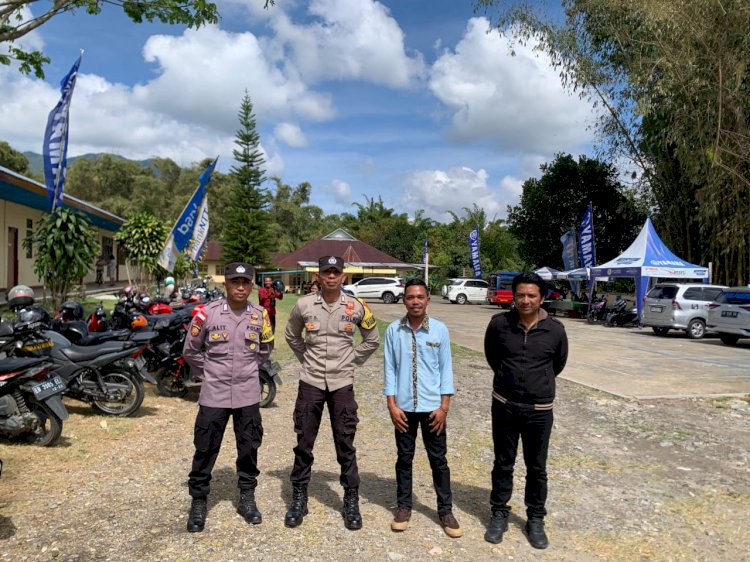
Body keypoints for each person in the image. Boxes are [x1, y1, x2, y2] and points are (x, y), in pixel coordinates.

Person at [284, 256, 379, 530]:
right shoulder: (303, 305)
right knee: (304, 443)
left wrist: (352, 360)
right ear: (319, 276)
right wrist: (307, 359)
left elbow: (371, 339)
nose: (331, 277)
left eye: (336, 273)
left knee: (345, 444)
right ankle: (299, 498)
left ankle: (351, 500)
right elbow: (292, 336)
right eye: (327, 272)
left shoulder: (356, 307)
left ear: (343, 277)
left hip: (341, 384)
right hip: (311, 381)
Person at [182, 263, 274, 533]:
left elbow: (265, 349)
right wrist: (210, 373)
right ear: (226, 284)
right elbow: (191, 350)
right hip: (214, 394)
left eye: (246, 281)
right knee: (205, 448)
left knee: (248, 448)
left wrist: (247, 370)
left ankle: (247, 497)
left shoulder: (260, 315)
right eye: (235, 281)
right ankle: (199, 501)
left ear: (252, 284)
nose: (241, 287)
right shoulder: (206, 314)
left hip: (247, 394)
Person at [483, 271, 568, 549]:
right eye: (521, 294)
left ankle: (535, 518)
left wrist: (536, 384)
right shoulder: (499, 325)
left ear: (542, 297)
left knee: (537, 467)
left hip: (540, 410)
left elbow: (557, 364)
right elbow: (493, 357)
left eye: (532, 295)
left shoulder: (555, 330)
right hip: (505, 406)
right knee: (503, 462)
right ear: (514, 296)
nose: (526, 300)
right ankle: (498, 513)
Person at [383, 278, 462, 538]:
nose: (415, 302)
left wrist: (444, 408)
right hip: (404, 409)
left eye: (420, 297)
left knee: (438, 461)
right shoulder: (394, 330)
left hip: (433, 409)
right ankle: (404, 507)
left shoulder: (439, 330)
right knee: (404, 459)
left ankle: (445, 510)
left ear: (428, 299)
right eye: (410, 297)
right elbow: (390, 369)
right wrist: (392, 406)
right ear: (403, 300)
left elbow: (446, 370)